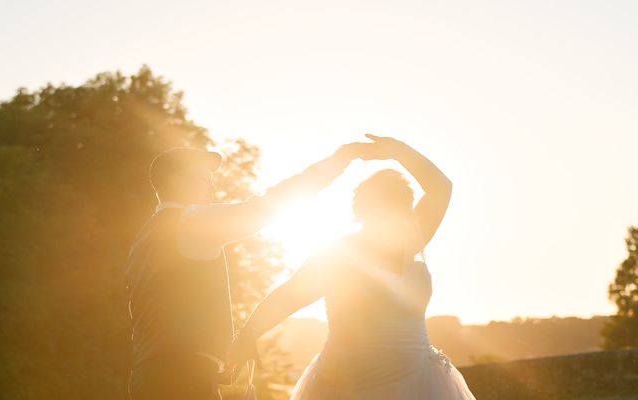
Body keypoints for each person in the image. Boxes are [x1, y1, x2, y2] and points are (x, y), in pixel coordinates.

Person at [229, 134, 476, 399]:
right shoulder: (339, 255)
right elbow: (289, 295)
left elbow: (441, 187)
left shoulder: (411, 241)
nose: (397, 216)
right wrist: (248, 335)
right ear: (363, 210)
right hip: (349, 385)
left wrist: (397, 150)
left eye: (401, 208)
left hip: (418, 381)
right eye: (387, 207)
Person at [126, 142, 367, 400]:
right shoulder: (192, 221)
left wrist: (211, 358)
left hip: (148, 377)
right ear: (175, 181)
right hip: (183, 378)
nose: (211, 185)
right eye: (203, 177)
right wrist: (340, 160)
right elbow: (267, 207)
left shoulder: (141, 242)